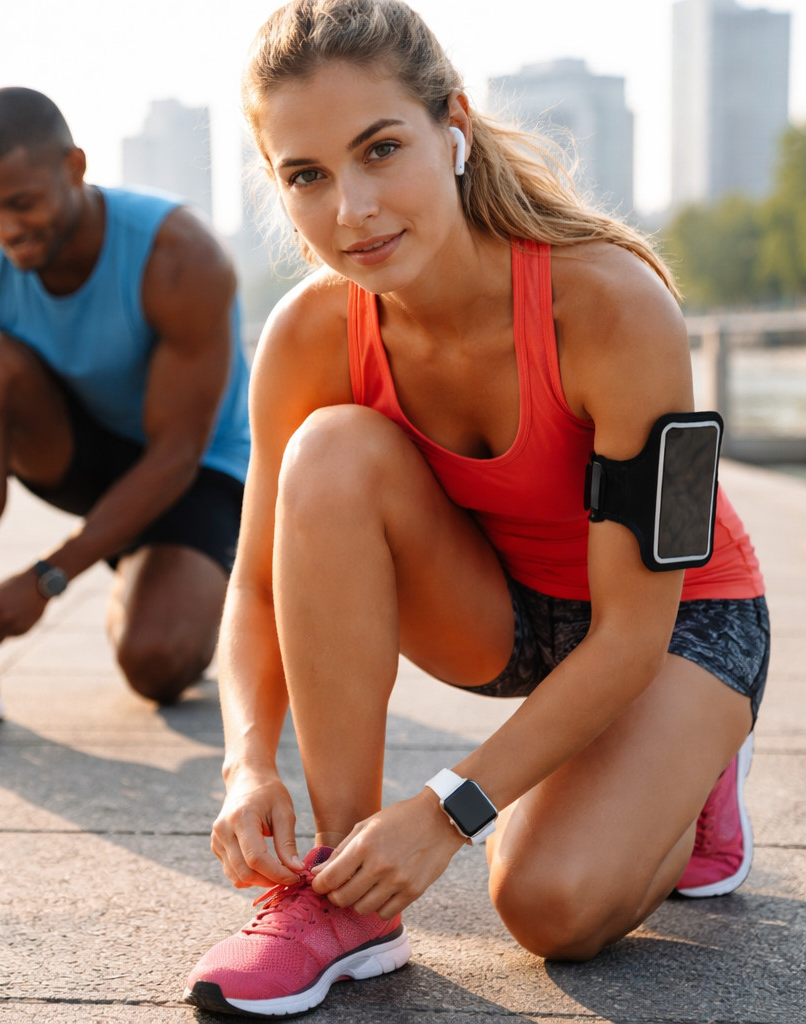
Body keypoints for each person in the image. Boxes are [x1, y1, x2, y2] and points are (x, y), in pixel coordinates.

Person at [183, 1, 769, 1017]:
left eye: (381, 150)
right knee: (329, 450)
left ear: (451, 126)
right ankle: (343, 899)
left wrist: (445, 811)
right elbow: (260, 583)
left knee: (551, 905)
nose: (353, 209)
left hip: (676, 622)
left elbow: (632, 635)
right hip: (500, 612)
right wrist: (245, 766)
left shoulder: (616, 305)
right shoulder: (308, 334)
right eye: (306, 175)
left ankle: (692, 766)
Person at [0, 87, 250, 742]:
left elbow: (177, 453)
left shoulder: (180, 255)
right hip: (81, 453)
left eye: (21, 203)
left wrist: (48, 576)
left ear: (74, 168)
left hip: (196, 468)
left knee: (156, 663)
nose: (4, 229)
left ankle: (211, 579)